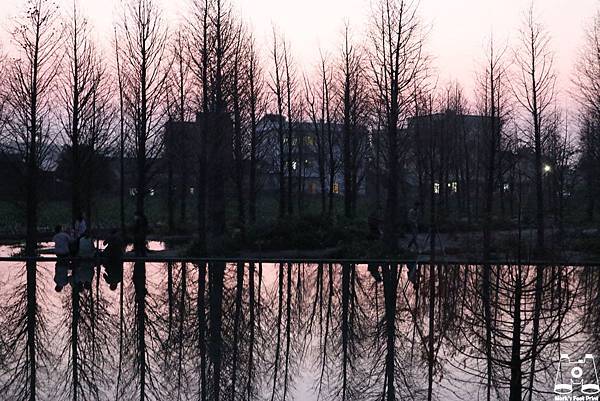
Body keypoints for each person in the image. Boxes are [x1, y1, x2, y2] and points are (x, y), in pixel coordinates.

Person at [53, 225, 72, 292]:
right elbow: (70, 241)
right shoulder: (55, 280)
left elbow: (69, 278)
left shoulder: (55, 237)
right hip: (65, 253)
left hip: (58, 254)